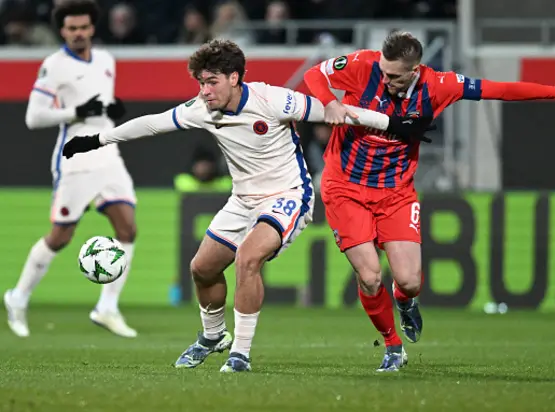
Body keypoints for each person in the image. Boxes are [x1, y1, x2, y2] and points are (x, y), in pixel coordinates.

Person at [61, 39, 435, 373]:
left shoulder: (274, 100)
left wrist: (396, 124)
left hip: (289, 195)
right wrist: (97, 139)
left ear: (235, 77)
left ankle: (240, 353)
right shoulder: (201, 109)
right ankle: (213, 337)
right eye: (201, 83)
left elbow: (336, 110)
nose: (204, 91)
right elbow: (153, 124)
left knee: (248, 258)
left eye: (212, 82)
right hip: (242, 200)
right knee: (202, 268)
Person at [303, 30, 555, 372]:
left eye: (394, 75)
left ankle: (405, 303)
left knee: (409, 282)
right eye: (384, 72)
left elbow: (501, 90)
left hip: (396, 192)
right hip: (345, 186)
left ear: (415, 70)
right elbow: (314, 74)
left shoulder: (440, 85)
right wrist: (329, 101)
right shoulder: (363, 64)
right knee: (371, 277)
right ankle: (392, 345)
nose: (385, 79)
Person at [3, 0, 138, 339]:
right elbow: (34, 117)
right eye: (71, 28)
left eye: (83, 27)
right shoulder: (54, 66)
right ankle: (18, 298)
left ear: (93, 27)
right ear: (62, 31)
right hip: (75, 157)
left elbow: (101, 106)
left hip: (107, 153)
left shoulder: (107, 60)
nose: (78, 33)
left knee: (128, 228)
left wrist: (109, 111)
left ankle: (107, 307)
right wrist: (76, 111)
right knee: (61, 236)